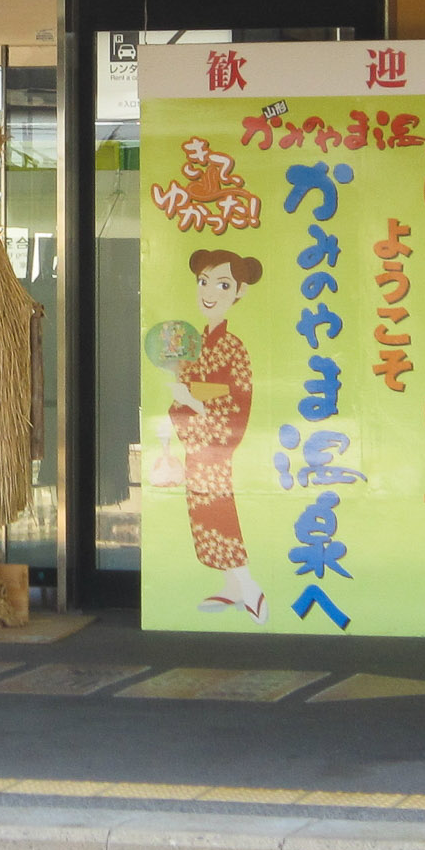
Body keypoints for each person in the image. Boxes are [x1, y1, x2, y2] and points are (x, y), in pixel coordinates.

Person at [161, 249, 267, 622]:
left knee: (219, 509)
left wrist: (193, 397)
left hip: (217, 443)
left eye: (223, 284)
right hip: (197, 443)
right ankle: (233, 586)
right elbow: (187, 391)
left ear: (239, 292)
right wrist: (181, 397)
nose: (210, 291)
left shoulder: (233, 348)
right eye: (204, 282)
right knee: (203, 511)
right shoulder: (194, 344)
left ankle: (249, 585)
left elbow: (237, 398)